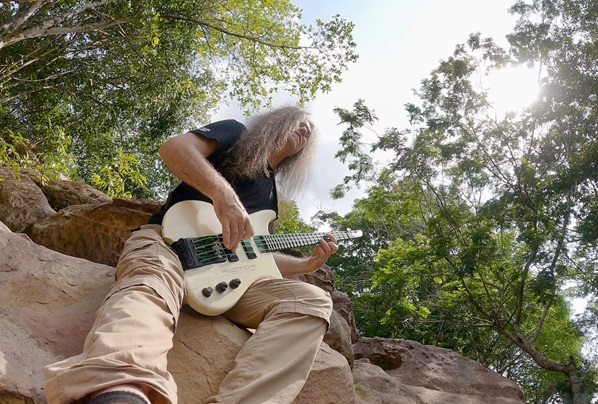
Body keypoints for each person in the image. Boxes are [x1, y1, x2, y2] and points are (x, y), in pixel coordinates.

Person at [44, 105, 338, 404]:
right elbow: (175, 148)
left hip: (229, 278)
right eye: (299, 121)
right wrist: (223, 195)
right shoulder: (237, 134)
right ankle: (121, 388)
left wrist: (306, 264)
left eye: (310, 132)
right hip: (170, 244)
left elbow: (254, 253)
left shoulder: (271, 196)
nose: (306, 129)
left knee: (312, 302)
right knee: (151, 286)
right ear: (276, 122)